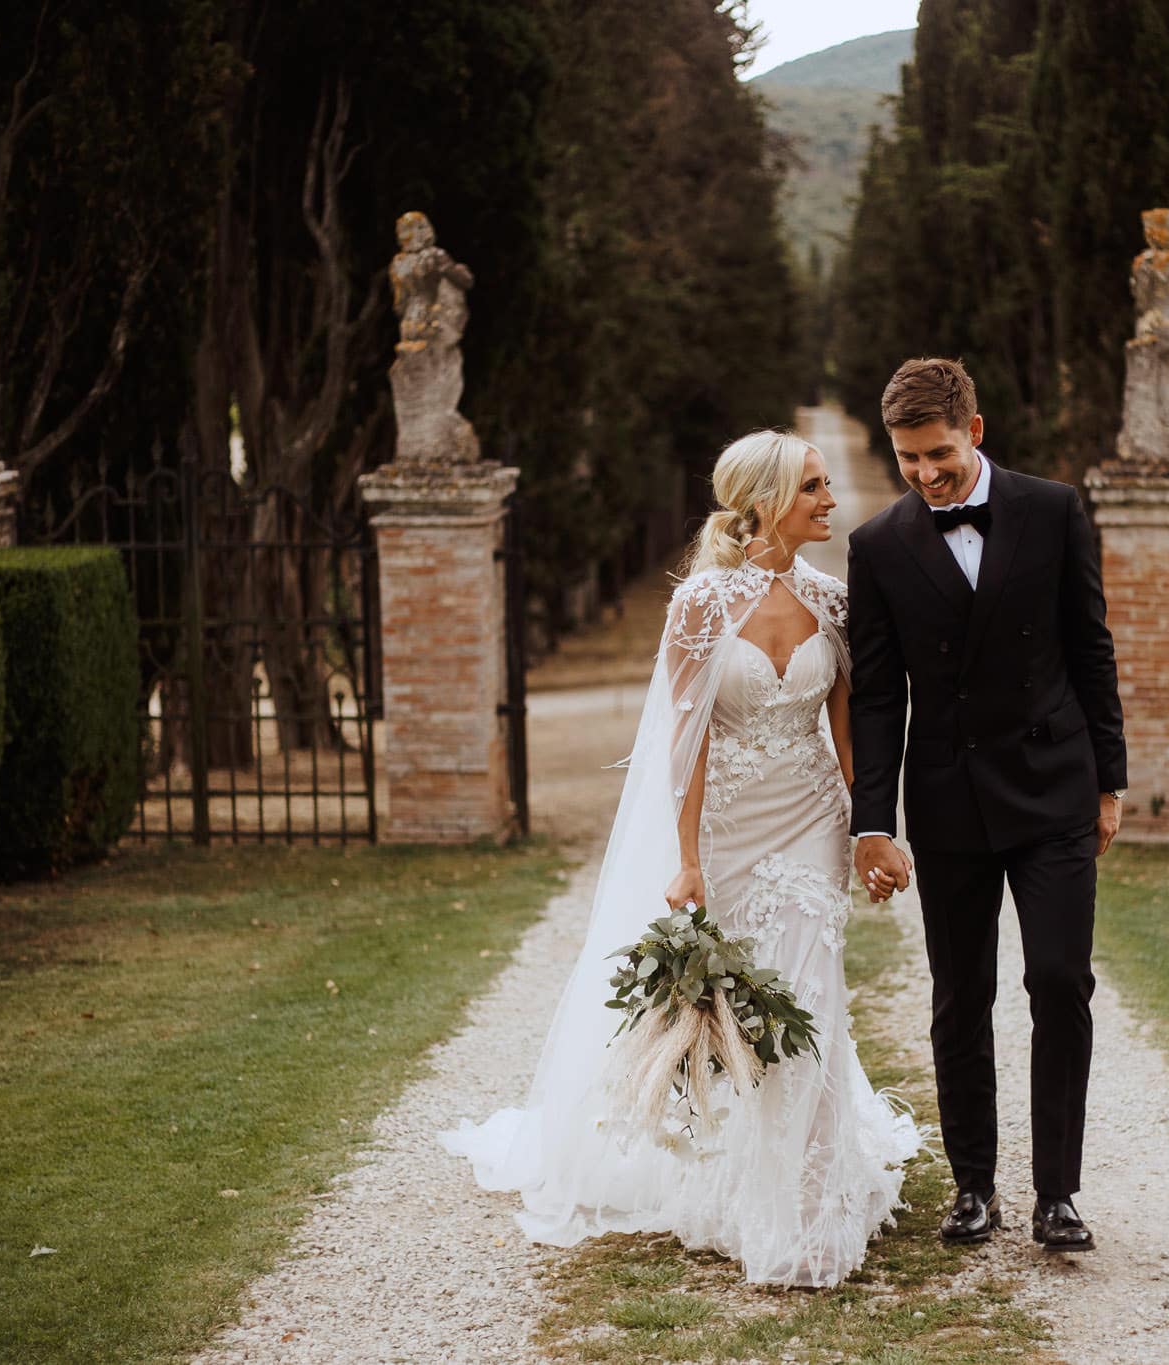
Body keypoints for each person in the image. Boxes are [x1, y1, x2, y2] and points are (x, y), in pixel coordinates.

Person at [442, 430, 918, 1289]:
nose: (828, 499)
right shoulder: (701, 604)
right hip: (731, 829)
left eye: (825, 483)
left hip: (810, 820)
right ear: (768, 499)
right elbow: (687, 743)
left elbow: (848, 737)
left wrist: (869, 829)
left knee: (810, 996)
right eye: (813, 486)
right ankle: (733, 1172)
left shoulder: (834, 600)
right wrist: (689, 857)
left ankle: (804, 1207)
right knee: (743, 1014)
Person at [847, 357, 1126, 1254]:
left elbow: (1092, 646)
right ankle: (973, 1188)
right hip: (949, 799)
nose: (926, 476)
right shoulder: (878, 545)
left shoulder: (1053, 510)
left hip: (1054, 790)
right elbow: (878, 696)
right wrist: (873, 819)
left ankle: (1058, 1195)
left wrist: (1109, 782)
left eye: (937, 455)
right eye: (906, 460)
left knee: (1058, 981)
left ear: (975, 429)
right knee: (959, 994)